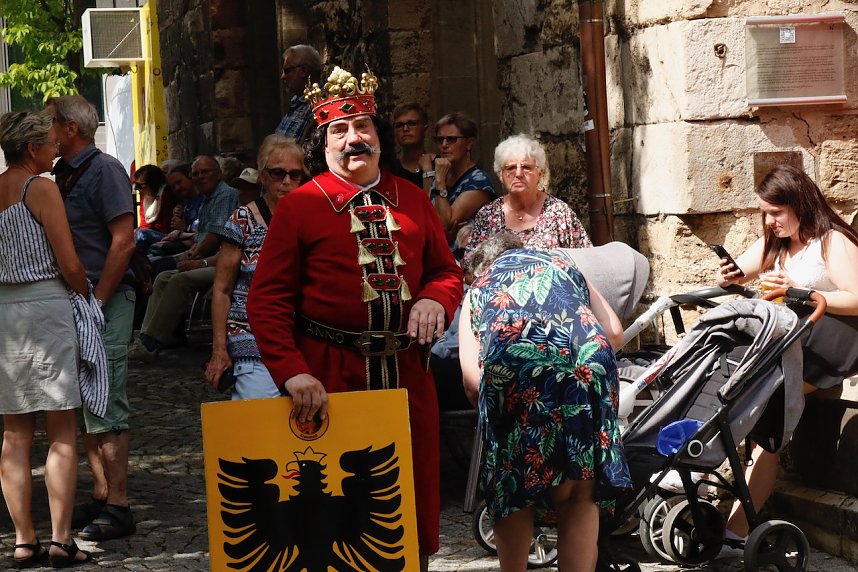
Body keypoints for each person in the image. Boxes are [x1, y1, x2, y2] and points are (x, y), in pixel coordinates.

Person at [247, 65, 463, 570]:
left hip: (407, 377)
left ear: (378, 137)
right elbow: (267, 301)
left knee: (406, 507)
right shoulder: (299, 207)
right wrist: (293, 371)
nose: (353, 139)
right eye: (339, 131)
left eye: (362, 127)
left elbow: (446, 272)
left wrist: (436, 299)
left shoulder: (411, 199)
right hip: (329, 375)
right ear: (324, 144)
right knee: (334, 513)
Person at [458, 233, 630, 572]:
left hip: (518, 372)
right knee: (579, 493)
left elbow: (471, 381)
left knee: (513, 489)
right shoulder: (562, 263)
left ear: (480, 269)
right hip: (584, 366)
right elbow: (614, 333)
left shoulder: (480, 288)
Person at [715, 164, 858, 556]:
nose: (769, 221)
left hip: (827, 344)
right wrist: (732, 273)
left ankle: (736, 532)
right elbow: (741, 271)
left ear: (799, 203)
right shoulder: (775, 241)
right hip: (785, 343)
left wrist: (800, 291)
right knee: (739, 394)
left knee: (764, 411)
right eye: (764, 212)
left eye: (775, 212)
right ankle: (731, 525)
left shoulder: (832, 242)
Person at [0, 111, 96, 567]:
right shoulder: (41, 188)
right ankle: (60, 540)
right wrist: (87, 298)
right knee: (61, 429)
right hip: (44, 307)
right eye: (50, 142)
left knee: (15, 433)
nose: (56, 148)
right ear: (30, 148)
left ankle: (23, 540)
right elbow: (70, 261)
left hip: (4, 313)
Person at [46, 95, 138, 542]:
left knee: (108, 398)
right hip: (80, 301)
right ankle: (103, 493)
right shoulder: (63, 173)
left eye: (50, 124)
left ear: (70, 128)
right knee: (87, 402)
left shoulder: (105, 171)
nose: (45, 134)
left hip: (106, 299)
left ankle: (119, 504)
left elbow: (124, 241)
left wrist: (97, 302)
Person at [205, 135, 307, 399]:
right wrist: (220, 349)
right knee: (261, 418)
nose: (286, 182)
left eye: (294, 175)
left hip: (303, 337)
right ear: (262, 176)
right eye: (277, 173)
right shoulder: (243, 220)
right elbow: (222, 289)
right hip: (251, 338)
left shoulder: (310, 220)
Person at [129, 155, 239, 360]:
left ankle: (151, 341)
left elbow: (214, 238)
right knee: (162, 276)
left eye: (205, 172)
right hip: (207, 256)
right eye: (196, 173)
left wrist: (193, 257)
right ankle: (150, 335)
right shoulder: (207, 199)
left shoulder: (224, 196)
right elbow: (202, 236)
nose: (199, 177)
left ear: (219, 174)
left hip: (222, 261)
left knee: (178, 278)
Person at [465, 134, 592, 259]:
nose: (519, 173)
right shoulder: (487, 216)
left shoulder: (559, 213)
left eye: (526, 167)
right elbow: (471, 269)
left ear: (540, 173)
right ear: (500, 175)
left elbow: (585, 260)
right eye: (510, 168)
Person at [426, 112, 495, 245]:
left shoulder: (479, 181)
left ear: (469, 143)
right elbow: (425, 214)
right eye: (440, 140)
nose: (444, 145)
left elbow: (444, 224)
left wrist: (439, 181)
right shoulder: (443, 173)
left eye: (451, 139)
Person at [275, 44, 322, 142]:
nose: (282, 76)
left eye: (286, 71)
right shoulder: (297, 100)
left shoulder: (319, 104)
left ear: (304, 71)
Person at [133, 164, 176, 254]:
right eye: (136, 185)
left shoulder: (165, 194)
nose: (137, 189)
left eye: (141, 185)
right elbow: (143, 223)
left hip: (165, 235)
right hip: (149, 233)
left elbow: (165, 226)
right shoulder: (144, 196)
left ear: (153, 183)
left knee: (141, 235)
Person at [392, 102, 433, 187]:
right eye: (399, 125)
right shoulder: (390, 170)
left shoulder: (441, 165)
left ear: (425, 129)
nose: (405, 129)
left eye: (412, 123)